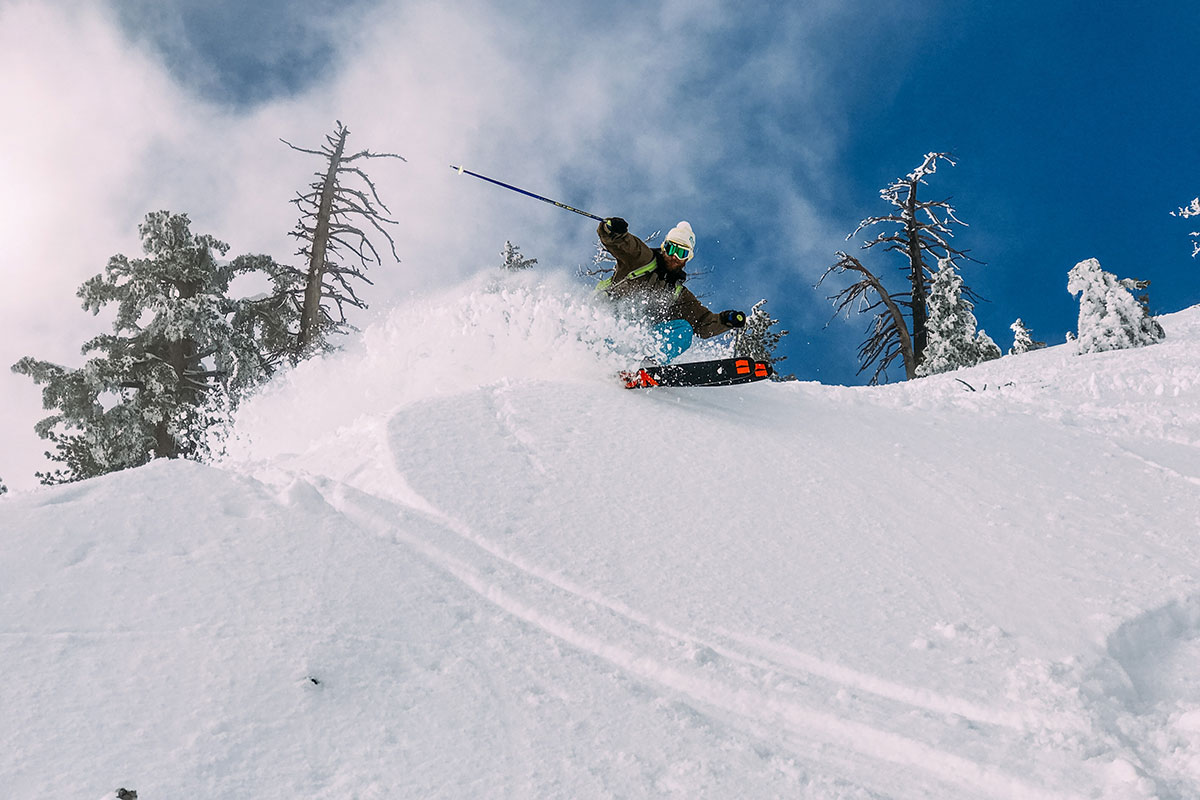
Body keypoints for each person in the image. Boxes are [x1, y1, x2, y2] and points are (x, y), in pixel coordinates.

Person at [596, 216, 745, 362]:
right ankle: (605, 354)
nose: (674, 256)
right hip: (608, 325)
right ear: (663, 247)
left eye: (681, 253)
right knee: (619, 316)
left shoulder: (677, 293)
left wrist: (725, 320)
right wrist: (612, 229)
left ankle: (647, 364)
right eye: (671, 248)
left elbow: (702, 323)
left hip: (636, 341)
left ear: (687, 258)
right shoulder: (642, 259)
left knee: (684, 329)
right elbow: (623, 243)